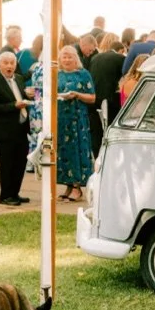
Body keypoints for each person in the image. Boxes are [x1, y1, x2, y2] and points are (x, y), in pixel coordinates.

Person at [0, 52, 32, 205]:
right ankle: (5, 196)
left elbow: (21, 96)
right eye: (6, 63)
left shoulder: (19, 79)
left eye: (12, 63)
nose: (9, 66)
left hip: (21, 128)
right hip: (4, 130)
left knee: (20, 162)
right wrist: (14, 106)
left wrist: (29, 95)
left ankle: (14, 193)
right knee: (7, 164)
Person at [54, 46, 97, 201]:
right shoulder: (57, 74)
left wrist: (77, 94)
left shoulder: (83, 74)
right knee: (64, 151)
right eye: (64, 57)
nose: (67, 60)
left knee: (76, 150)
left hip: (77, 119)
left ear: (75, 58)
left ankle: (77, 187)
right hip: (61, 119)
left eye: (70, 57)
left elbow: (92, 97)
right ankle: (68, 184)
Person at [89, 33, 125, 132]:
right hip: (110, 97)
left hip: (94, 95)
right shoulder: (120, 58)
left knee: (96, 127)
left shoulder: (95, 57)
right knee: (109, 126)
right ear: (121, 50)